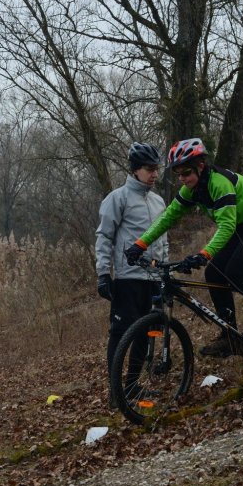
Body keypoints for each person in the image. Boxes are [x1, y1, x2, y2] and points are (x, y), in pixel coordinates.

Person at [124, 137, 243, 358]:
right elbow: (168, 218)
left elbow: (226, 226)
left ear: (201, 166)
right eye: (179, 175)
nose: (183, 179)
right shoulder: (192, 190)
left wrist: (204, 254)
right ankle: (230, 335)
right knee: (214, 272)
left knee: (236, 272)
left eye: (187, 173)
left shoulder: (219, 183)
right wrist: (140, 244)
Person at [95, 142, 168, 407]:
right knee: (120, 332)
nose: (154, 174)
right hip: (128, 278)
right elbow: (104, 236)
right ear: (135, 170)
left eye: (156, 169)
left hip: (154, 278)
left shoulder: (159, 201)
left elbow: (164, 240)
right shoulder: (118, 198)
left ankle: (133, 386)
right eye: (149, 169)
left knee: (145, 332)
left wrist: (165, 273)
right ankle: (116, 392)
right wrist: (103, 273)